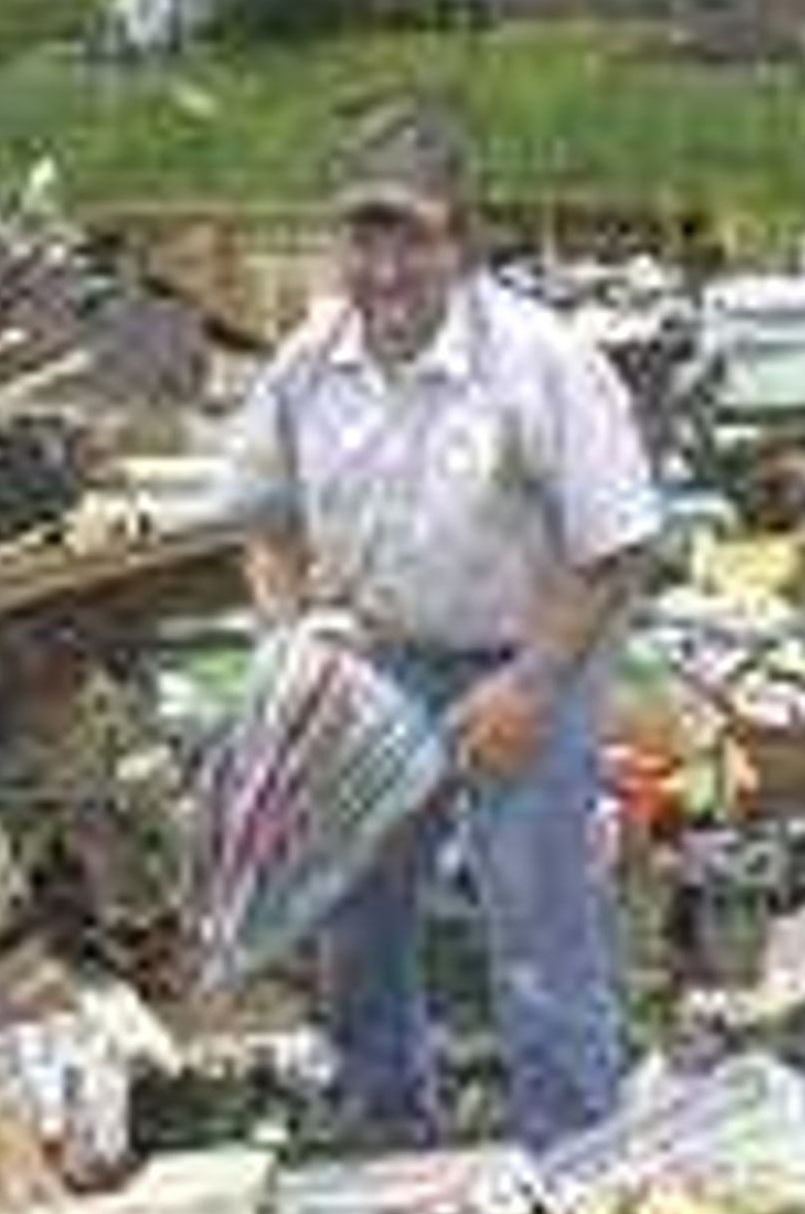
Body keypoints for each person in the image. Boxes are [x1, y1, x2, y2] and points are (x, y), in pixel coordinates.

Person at [221, 104, 664, 1151]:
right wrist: (293, 641)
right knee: (355, 912)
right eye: (363, 236)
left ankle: (575, 1159)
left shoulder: (540, 363)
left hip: (528, 657)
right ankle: (388, 1122)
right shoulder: (307, 364)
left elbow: (615, 548)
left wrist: (530, 688)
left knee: (536, 932)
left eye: (410, 236)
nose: (383, 267)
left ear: (461, 242)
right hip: (376, 660)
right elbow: (264, 519)